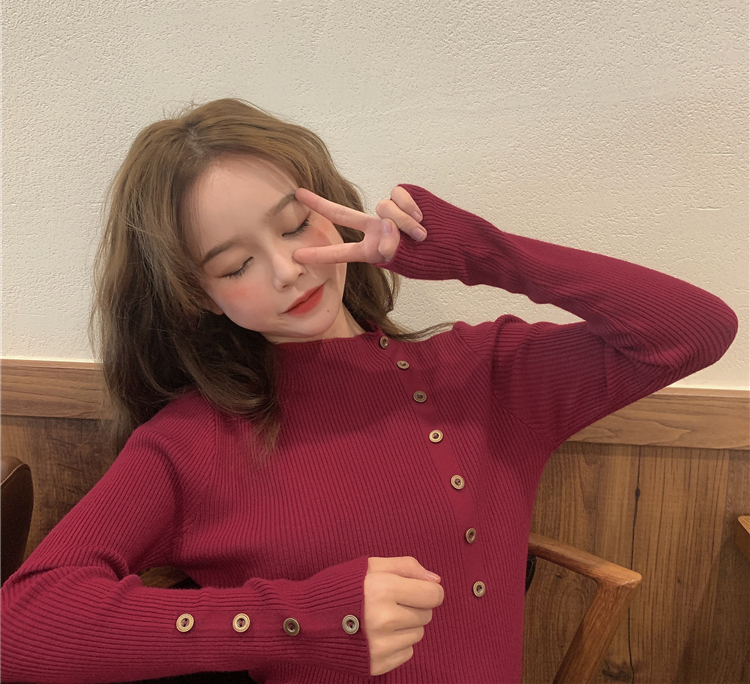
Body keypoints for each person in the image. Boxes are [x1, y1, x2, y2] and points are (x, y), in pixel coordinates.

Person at [0, 98, 738, 684]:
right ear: (199, 298)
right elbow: (22, 624)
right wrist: (293, 621)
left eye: (296, 225)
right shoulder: (191, 442)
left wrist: (480, 254)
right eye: (235, 266)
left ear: (332, 205)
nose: (287, 268)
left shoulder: (481, 375)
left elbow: (695, 329)